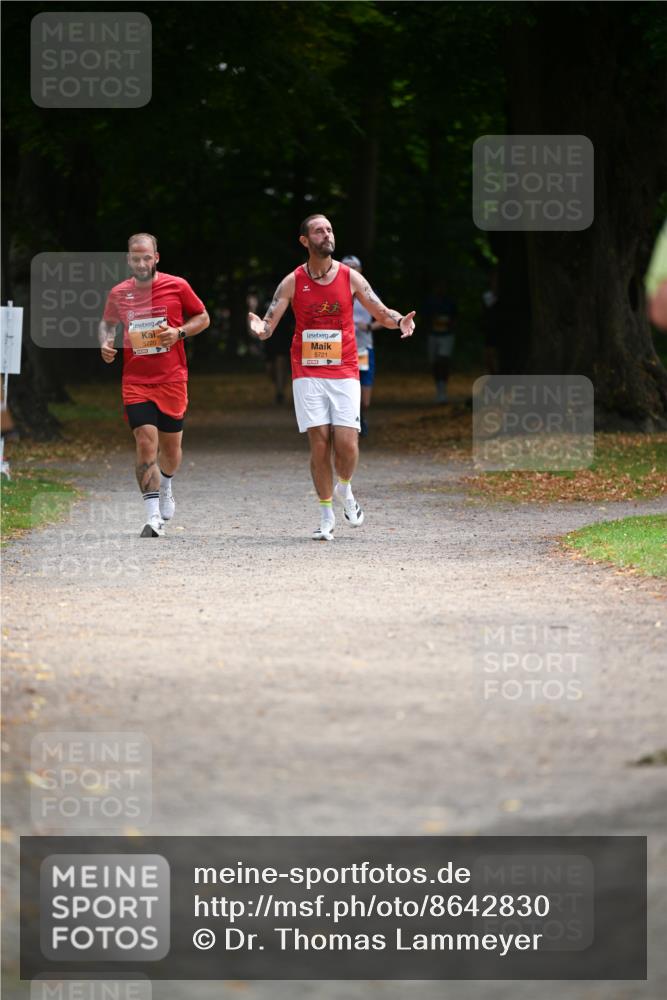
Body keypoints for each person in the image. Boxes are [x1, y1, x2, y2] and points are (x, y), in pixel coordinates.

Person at [248, 214, 415, 541]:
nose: (326, 234)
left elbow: (382, 311)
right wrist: (261, 329)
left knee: (347, 443)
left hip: (344, 369)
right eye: (318, 231)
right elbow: (269, 322)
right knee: (319, 443)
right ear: (305, 241)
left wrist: (400, 322)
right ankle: (326, 515)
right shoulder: (293, 281)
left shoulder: (351, 277)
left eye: (329, 229)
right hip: (307, 370)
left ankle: (345, 489)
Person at [99, 233, 210, 537]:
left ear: (156, 258)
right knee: (146, 442)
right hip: (135, 381)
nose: (141, 262)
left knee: (171, 451)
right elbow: (107, 323)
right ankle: (152, 517)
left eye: (147, 257)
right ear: (128, 260)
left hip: (172, 379)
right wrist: (105, 342)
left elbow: (203, 317)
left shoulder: (178, 286)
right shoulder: (119, 293)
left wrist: (179, 333)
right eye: (136, 258)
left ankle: (167, 484)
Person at [341, 255, 380, 436]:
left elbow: (385, 317)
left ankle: (360, 415)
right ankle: (348, 424)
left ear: (360, 270)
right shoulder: (334, 292)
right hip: (340, 349)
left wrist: (369, 326)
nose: (350, 270)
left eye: (354, 267)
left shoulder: (368, 292)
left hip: (363, 347)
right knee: (344, 389)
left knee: (365, 400)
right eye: (346, 267)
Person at [422, 280, 458, 403]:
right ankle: (439, 388)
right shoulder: (430, 302)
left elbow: (455, 318)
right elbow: (425, 318)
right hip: (433, 335)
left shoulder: (450, 302)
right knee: (435, 363)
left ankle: (443, 390)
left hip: (447, 336)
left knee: (444, 361)